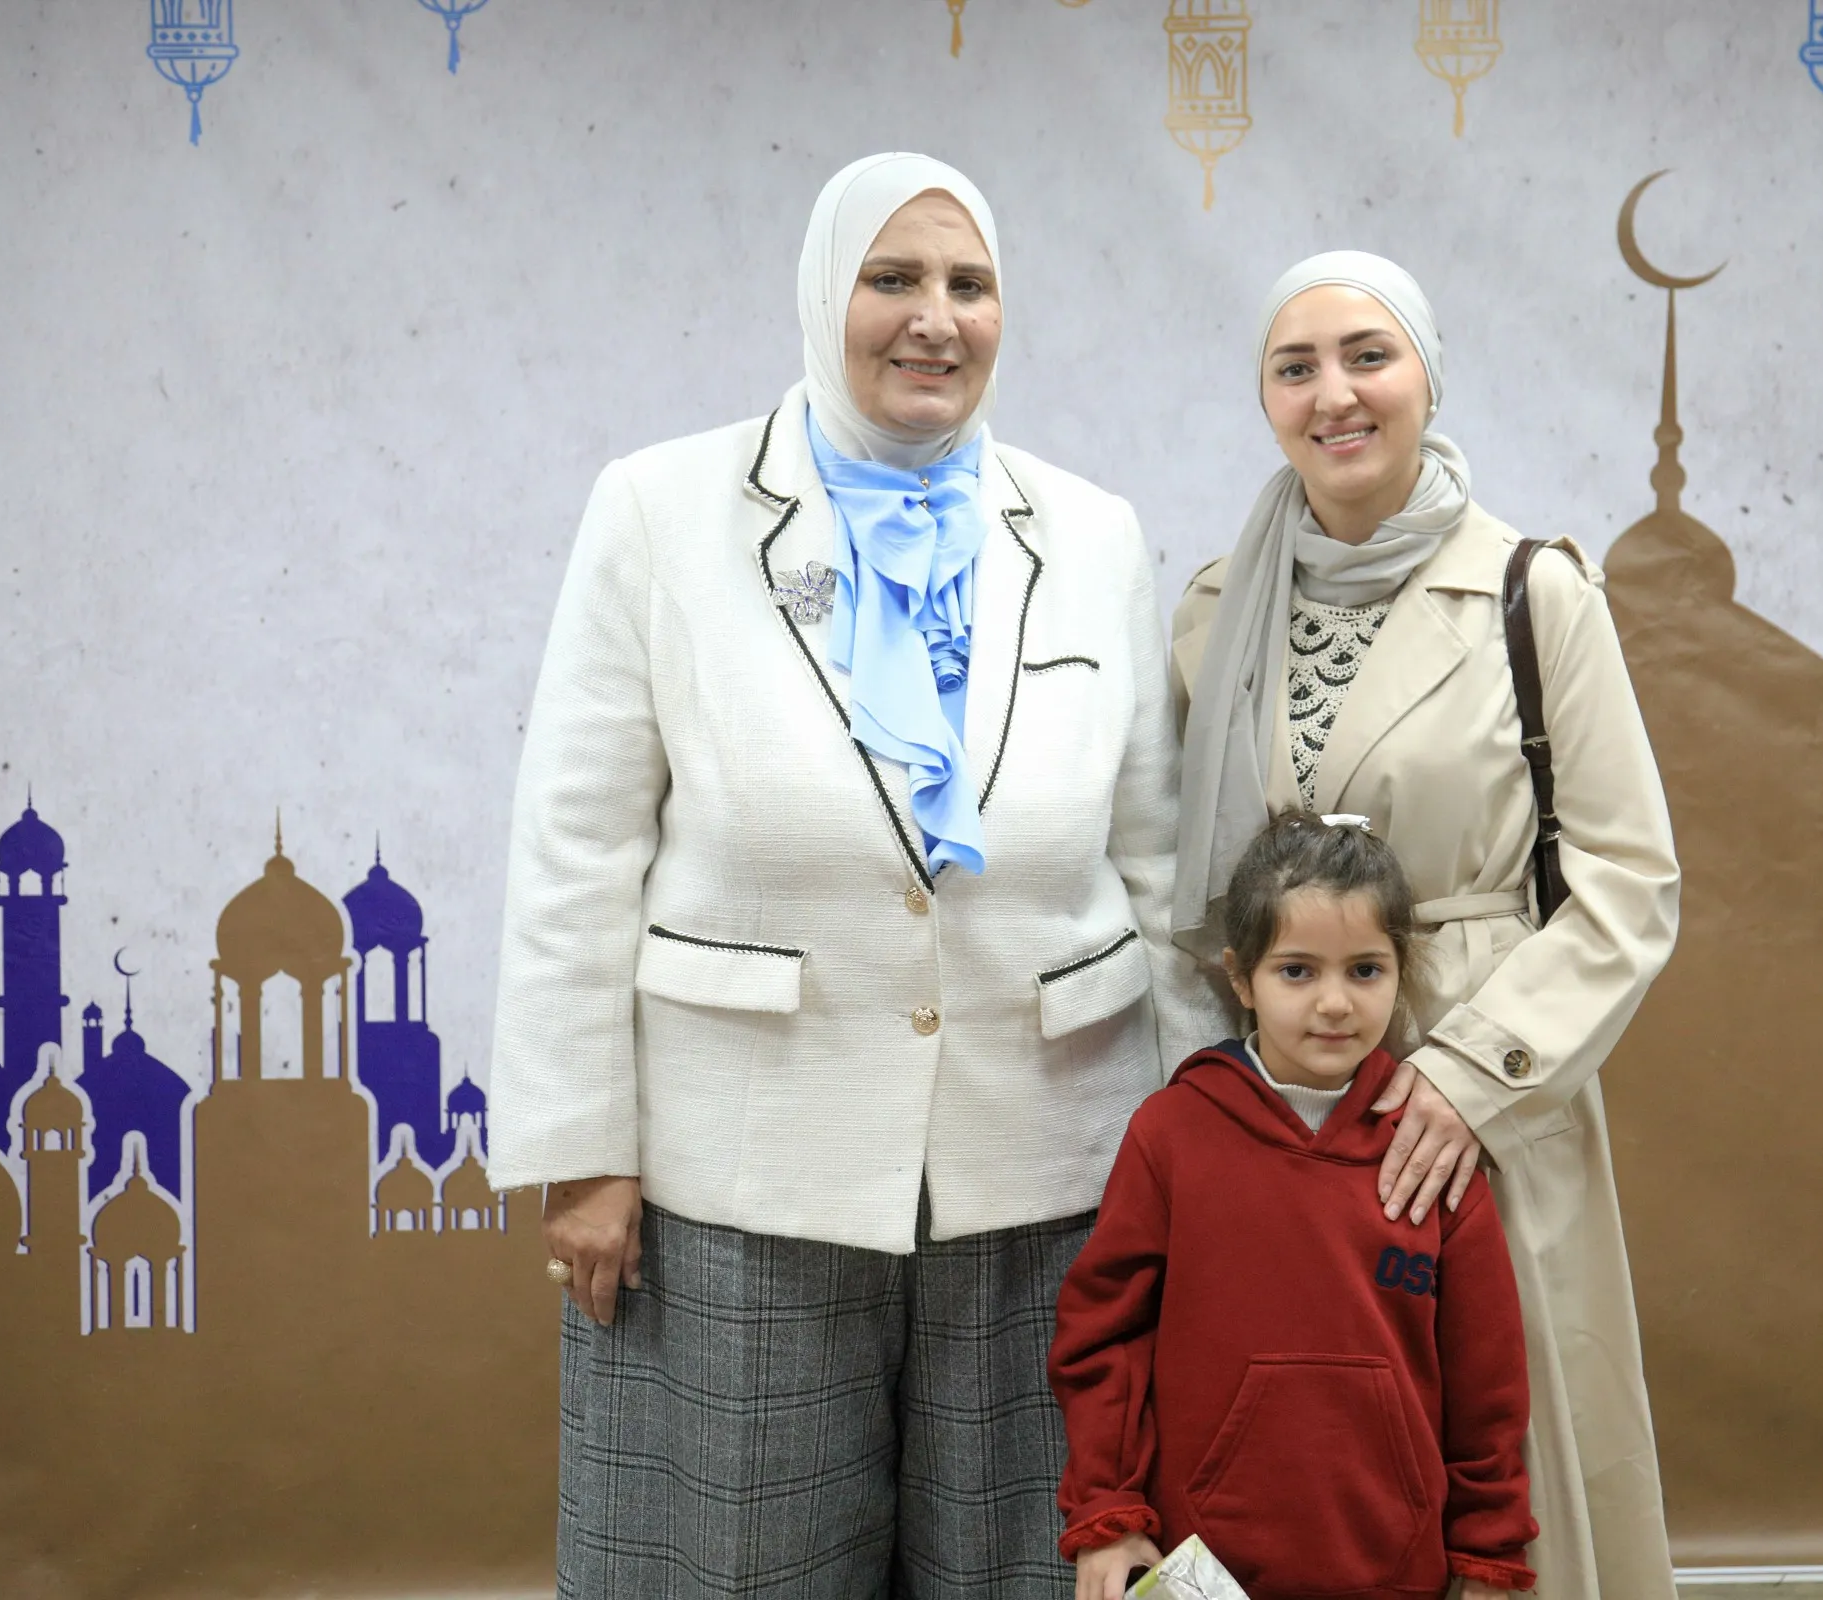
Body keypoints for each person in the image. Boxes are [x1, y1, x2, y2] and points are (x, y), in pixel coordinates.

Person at [486, 152, 1223, 1599]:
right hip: (744, 1174)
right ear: (825, 292)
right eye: (893, 279)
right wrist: (585, 1147)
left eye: (969, 284)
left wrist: (1205, 1152)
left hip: (1053, 1170)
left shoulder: (1092, 532)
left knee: (1027, 1568)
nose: (934, 318)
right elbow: (576, 848)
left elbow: (1156, 863)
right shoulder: (660, 509)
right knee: (745, 1570)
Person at [1169, 253, 1683, 1600]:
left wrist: (1468, 1078)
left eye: (1368, 356)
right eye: (1295, 368)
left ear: (1428, 378)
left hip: (1476, 1089)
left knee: (1501, 1476)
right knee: (1302, 1460)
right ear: (1265, 400)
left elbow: (1629, 880)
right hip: (1284, 1100)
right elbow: (1189, 889)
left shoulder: (1534, 592)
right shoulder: (1215, 613)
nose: (1333, 394)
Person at [1052, 811, 1537, 1600]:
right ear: (1242, 978)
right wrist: (1108, 1508)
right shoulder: (1172, 1134)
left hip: (1396, 1568)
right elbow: (1103, 1336)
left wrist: (1490, 1551)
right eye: (1298, 971)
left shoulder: (1432, 1151)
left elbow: (1488, 1380)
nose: (1335, 1003)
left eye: (1365, 970)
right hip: (1200, 1566)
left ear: (1401, 971)